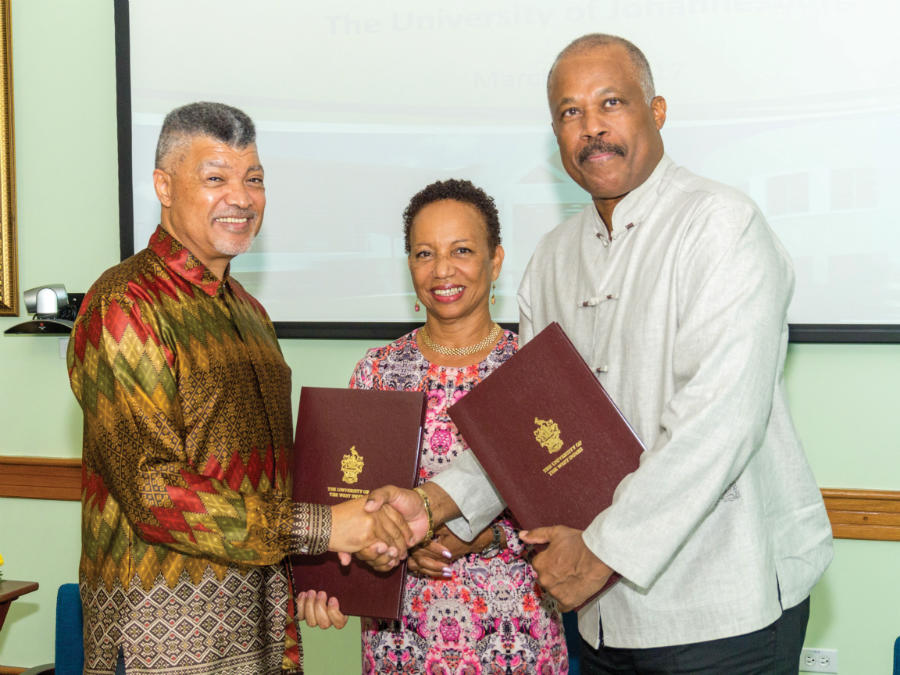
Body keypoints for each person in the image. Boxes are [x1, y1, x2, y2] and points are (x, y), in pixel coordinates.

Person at [363, 34, 834, 674]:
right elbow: (524, 432)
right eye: (569, 112)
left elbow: (718, 420)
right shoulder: (553, 260)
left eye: (610, 103)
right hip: (603, 620)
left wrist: (602, 553)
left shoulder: (722, 226)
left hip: (724, 606)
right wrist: (433, 504)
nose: (591, 129)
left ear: (657, 111)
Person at [67, 101, 410, 675]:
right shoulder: (124, 304)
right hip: (164, 639)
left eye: (254, 179)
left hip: (262, 625)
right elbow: (155, 491)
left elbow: (275, 483)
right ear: (164, 186)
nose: (242, 198)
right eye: (216, 178)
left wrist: (322, 569)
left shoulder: (251, 315)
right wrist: (326, 528)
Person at [348, 179, 568, 673]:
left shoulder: (532, 369)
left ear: (495, 261)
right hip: (401, 638)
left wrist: (490, 537)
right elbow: (354, 503)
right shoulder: (378, 371)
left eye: (462, 251)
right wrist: (401, 542)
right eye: (424, 253)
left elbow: (569, 505)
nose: (442, 270)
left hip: (514, 629)